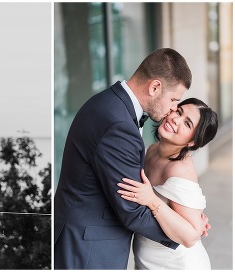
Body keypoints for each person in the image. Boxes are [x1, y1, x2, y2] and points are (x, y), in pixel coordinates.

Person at [53, 48, 209, 269]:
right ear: (155, 87)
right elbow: (131, 211)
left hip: (80, 236)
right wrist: (185, 234)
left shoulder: (108, 102)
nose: (174, 109)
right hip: (89, 248)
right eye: (174, 100)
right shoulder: (119, 124)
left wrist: (186, 220)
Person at [117, 98, 217, 269]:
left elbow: (190, 237)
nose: (175, 119)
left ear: (192, 141)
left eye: (187, 124)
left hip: (177, 265)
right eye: (179, 111)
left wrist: (152, 200)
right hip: (149, 259)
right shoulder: (152, 150)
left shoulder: (181, 171)